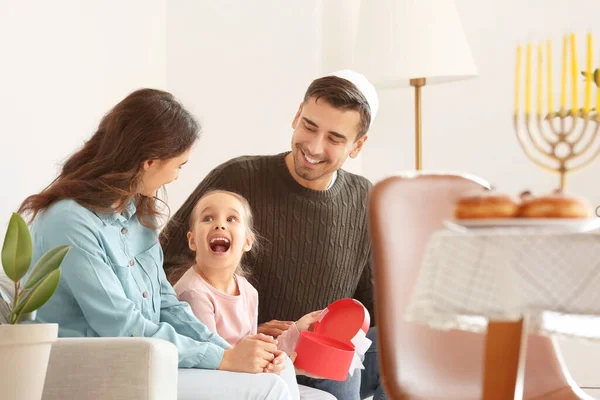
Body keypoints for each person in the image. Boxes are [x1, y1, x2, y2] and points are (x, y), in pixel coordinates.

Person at [19, 88, 294, 400]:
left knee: (280, 370)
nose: (175, 177)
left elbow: (166, 304)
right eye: (179, 165)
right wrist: (224, 359)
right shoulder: (69, 222)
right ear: (150, 161)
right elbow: (123, 327)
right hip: (100, 370)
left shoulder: (139, 218)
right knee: (268, 387)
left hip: (149, 361)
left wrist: (231, 351)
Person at [161, 70, 386, 400]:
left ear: (357, 146)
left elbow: (370, 307)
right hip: (255, 357)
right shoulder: (237, 178)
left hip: (318, 353)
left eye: (334, 138)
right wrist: (242, 328)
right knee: (342, 376)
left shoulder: (365, 200)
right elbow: (162, 267)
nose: (313, 146)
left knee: (405, 349)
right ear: (297, 115)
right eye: (309, 126)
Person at [172, 189, 329, 399]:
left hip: (242, 371)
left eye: (231, 218)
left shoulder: (248, 291)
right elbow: (211, 360)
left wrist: (297, 330)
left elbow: (255, 349)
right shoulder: (193, 293)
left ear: (247, 241)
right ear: (192, 241)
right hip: (211, 377)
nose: (219, 224)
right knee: (282, 373)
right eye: (208, 218)